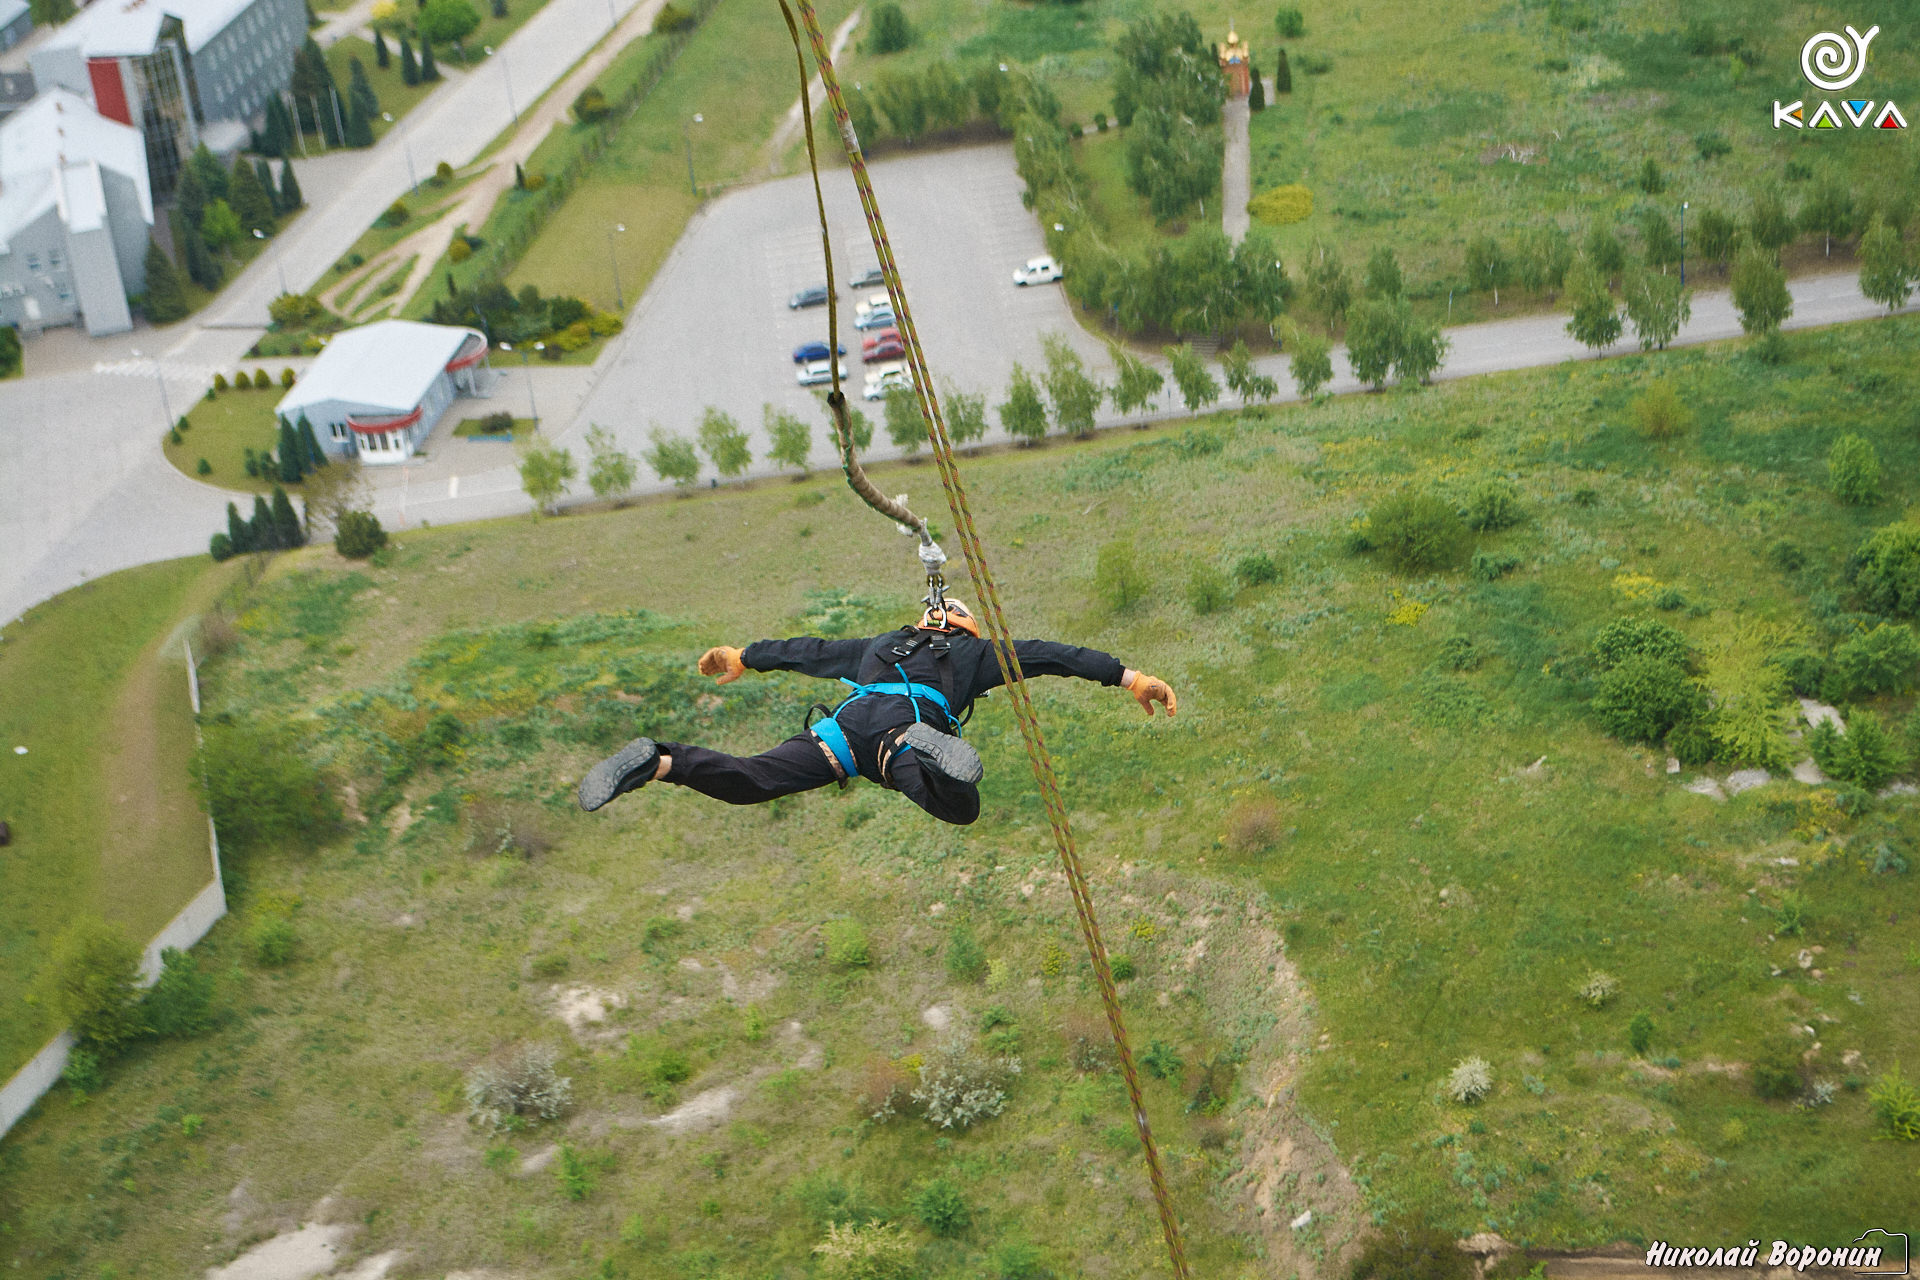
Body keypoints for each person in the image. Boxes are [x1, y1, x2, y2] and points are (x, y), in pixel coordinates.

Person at [578, 599, 1176, 826]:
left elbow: (809, 652)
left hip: (843, 731)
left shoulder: (877, 645)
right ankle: (931, 752)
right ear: (966, 628)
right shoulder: (973, 656)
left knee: (752, 781)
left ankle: (657, 761)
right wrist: (1130, 677)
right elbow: (1050, 656)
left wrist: (744, 655)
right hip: (900, 737)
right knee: (960, 806)